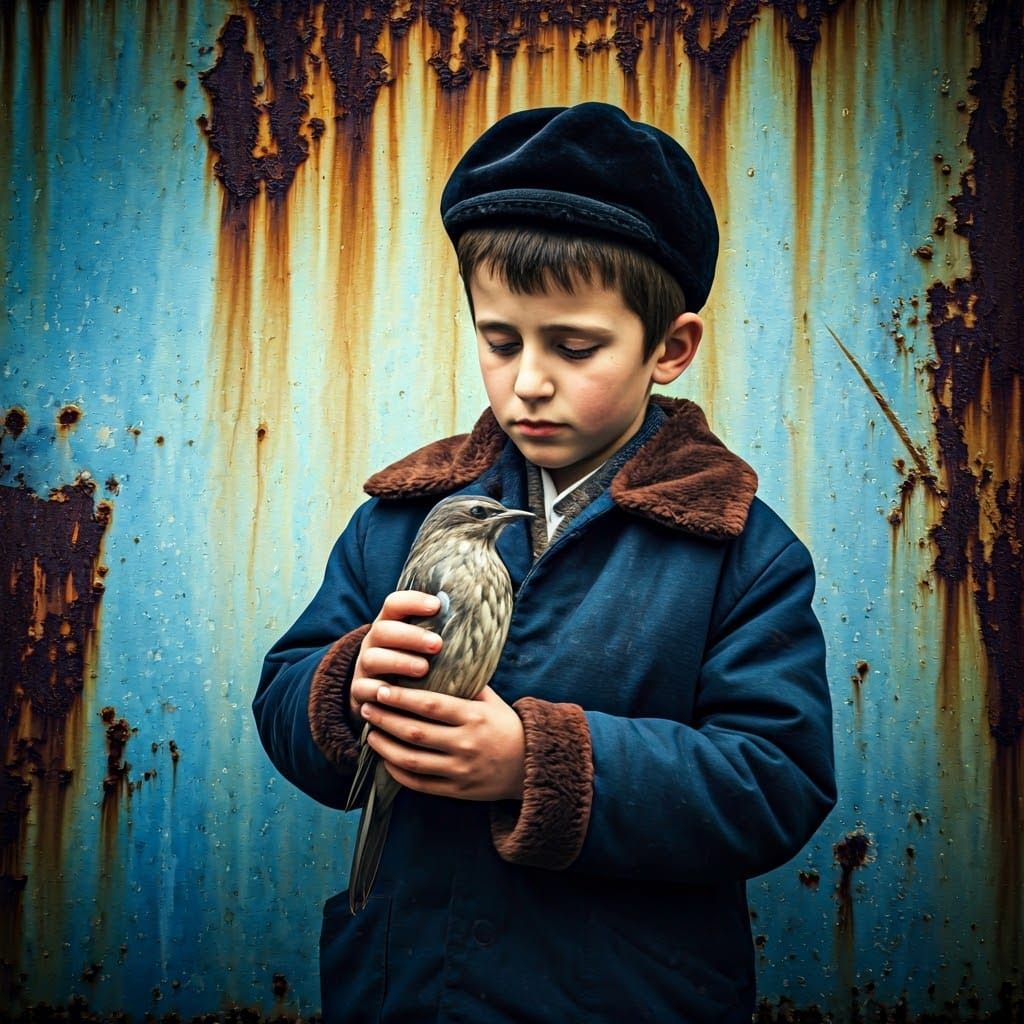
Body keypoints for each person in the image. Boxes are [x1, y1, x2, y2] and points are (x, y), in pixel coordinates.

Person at [254, 102, 836, 1024]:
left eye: (574, 346)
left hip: (631, 1001)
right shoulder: (398, 519)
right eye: (500, 341)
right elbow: (284, 697)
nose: (528, 381)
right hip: (411, 993)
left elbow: (775, 782)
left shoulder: (741, 551)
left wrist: (536, 764)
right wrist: (344, 687)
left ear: (670, 348)